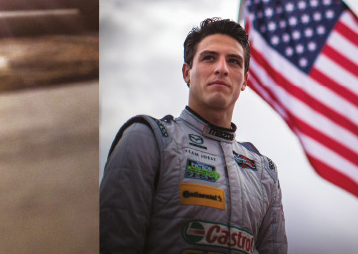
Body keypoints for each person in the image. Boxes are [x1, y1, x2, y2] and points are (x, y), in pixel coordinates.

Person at [99, 17, 286, 253]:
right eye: (209, 58)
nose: (222, 68)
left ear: (245, 81)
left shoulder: (263, 172)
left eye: (234, 61)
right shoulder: (146, 138)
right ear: (187, 72)